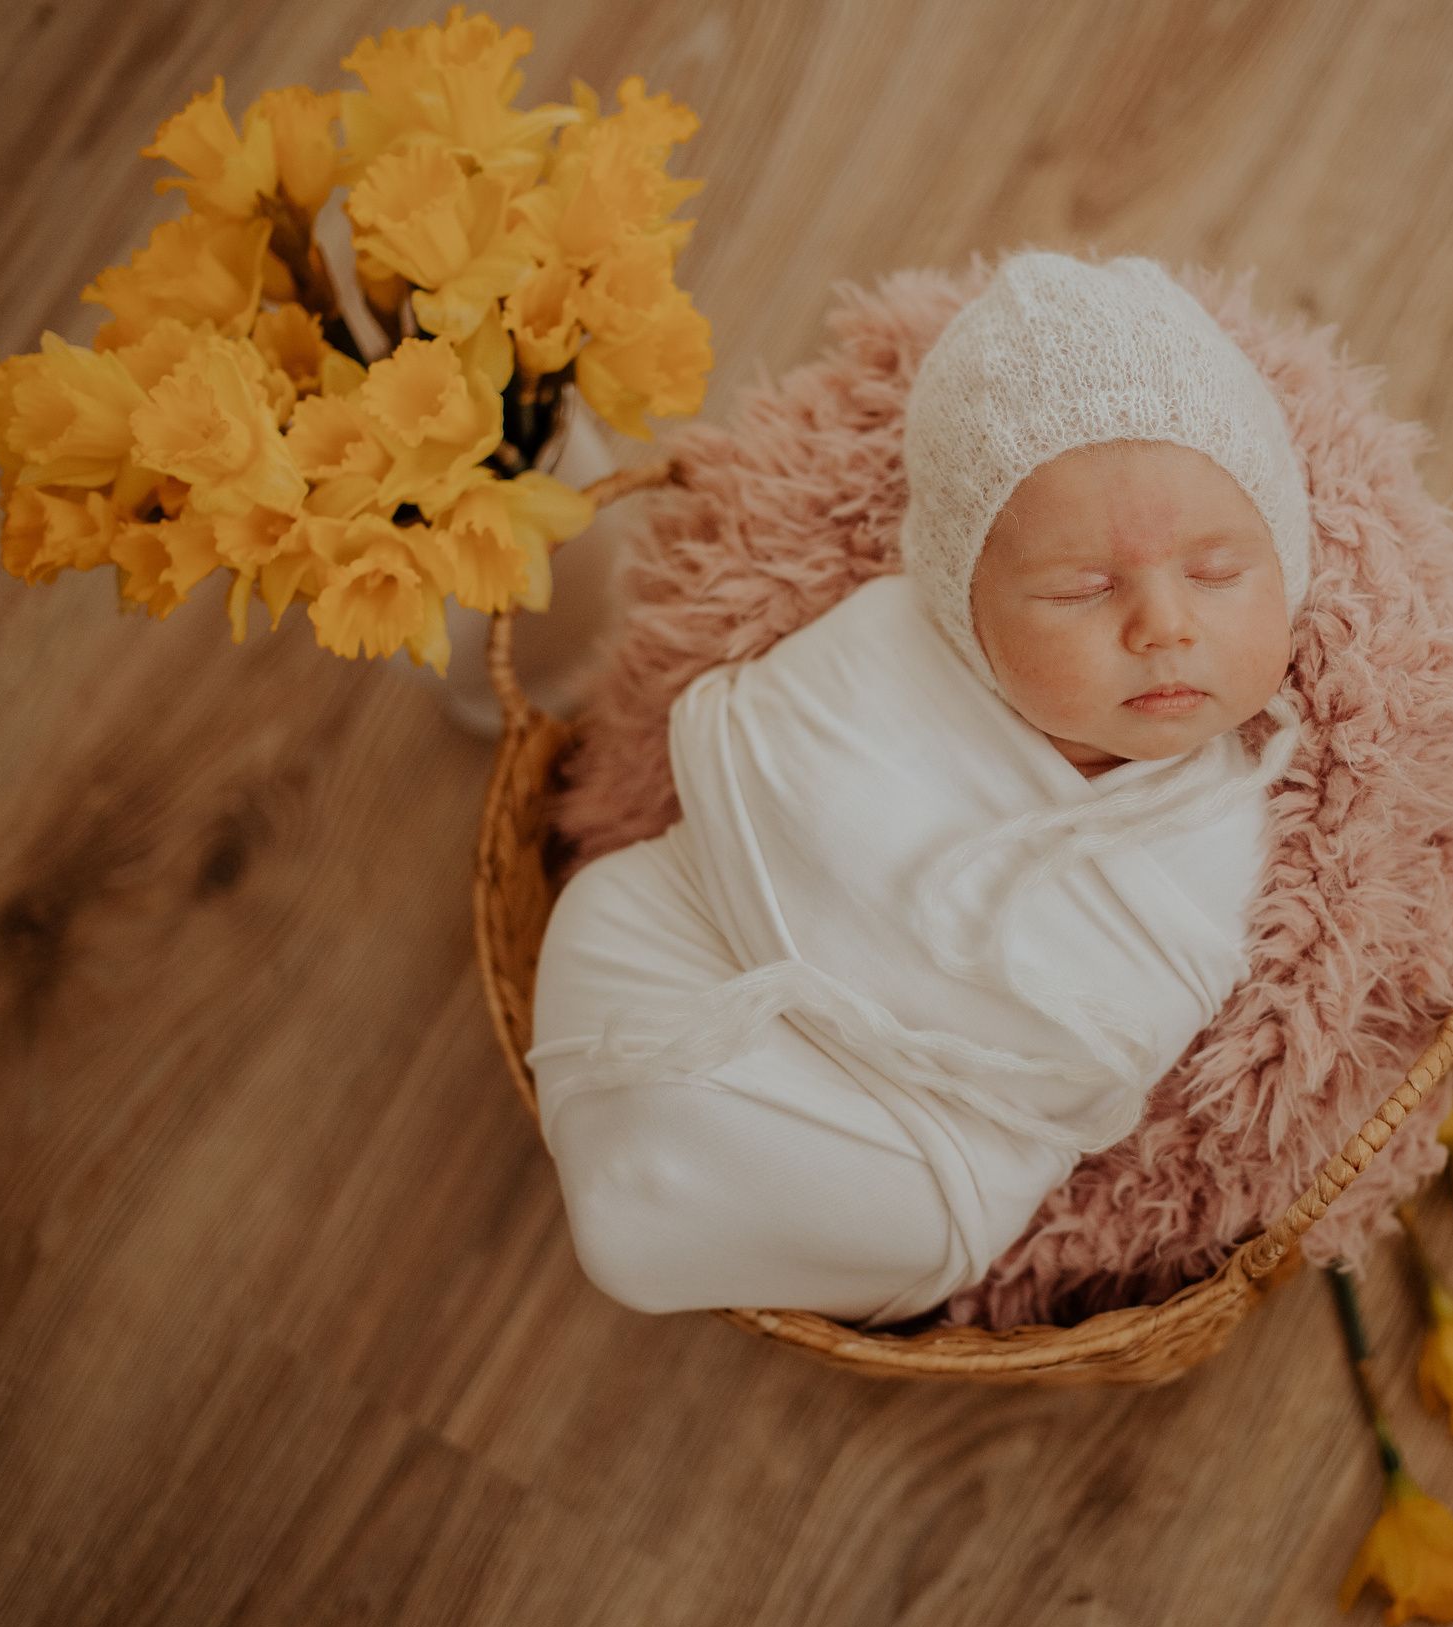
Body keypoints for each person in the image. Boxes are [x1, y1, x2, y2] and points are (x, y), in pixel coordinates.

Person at [527, 253, 1311, 1324]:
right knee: (603, 908)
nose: (1164, 624)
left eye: (1220, 572)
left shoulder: (1228, 817)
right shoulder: (885, 645)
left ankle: (697, 1202)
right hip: (690, 950)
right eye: (1082, 588)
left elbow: (1113, 1035)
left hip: (924, 1140)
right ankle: (657, 1169)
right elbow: (760, 783)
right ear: (966, 603)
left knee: (908, 1213)